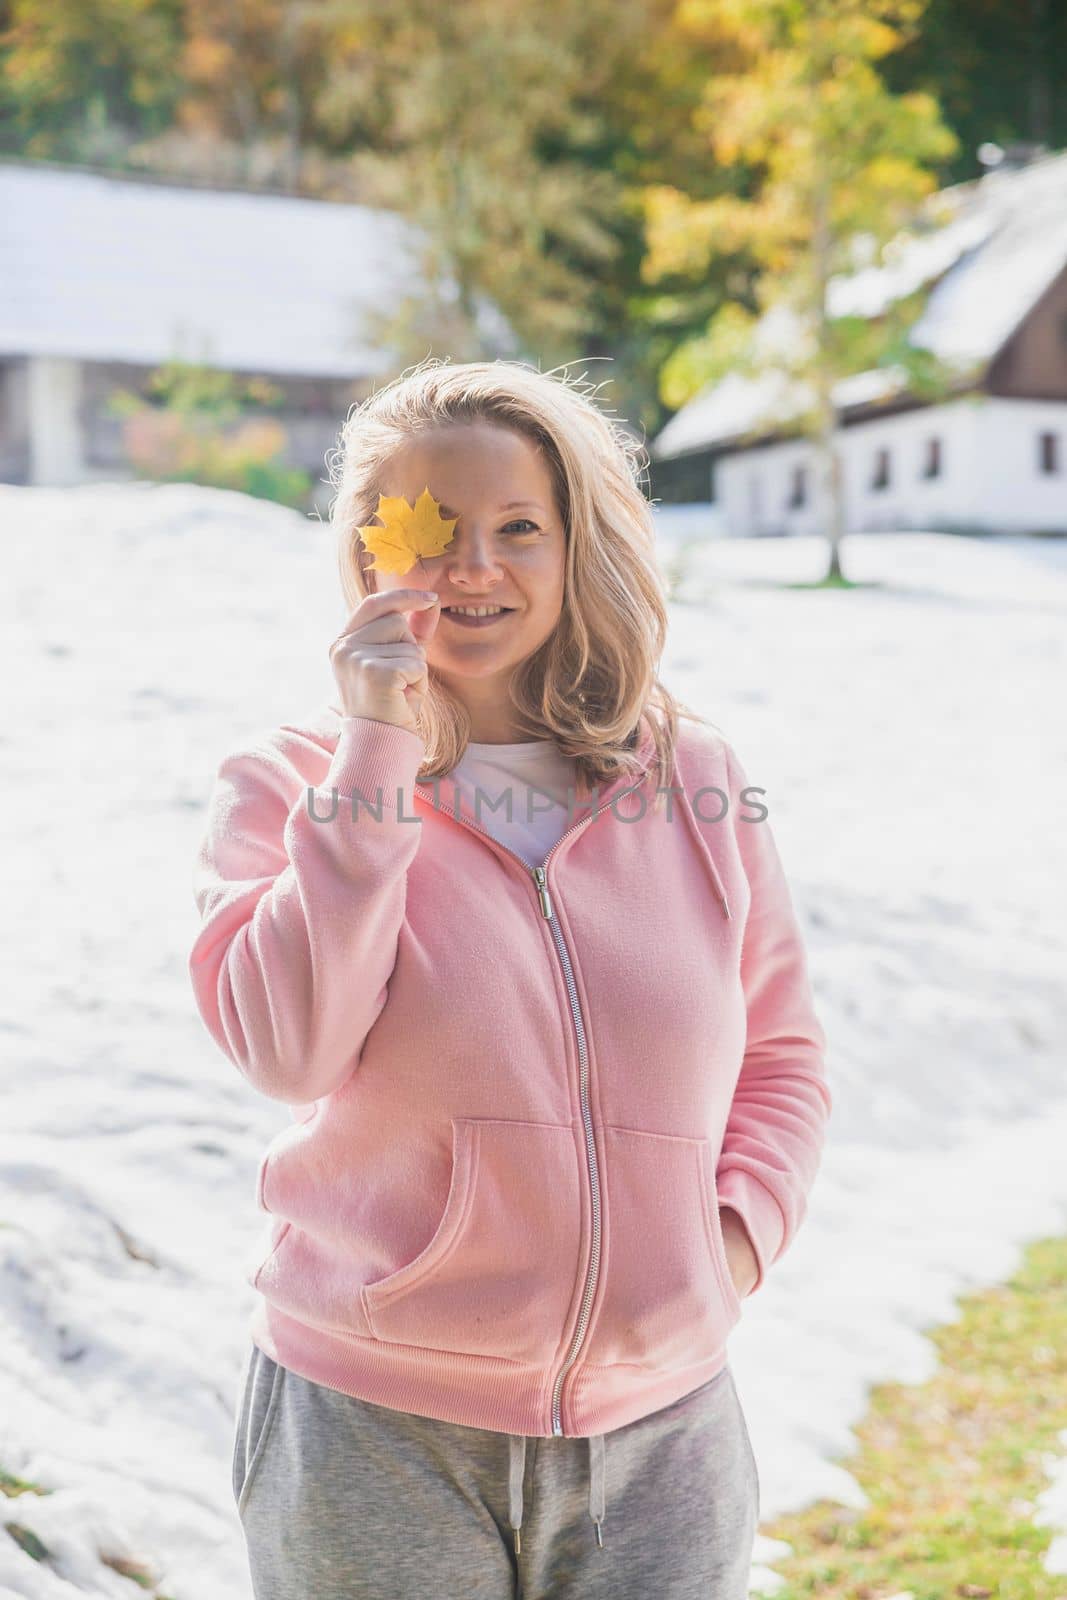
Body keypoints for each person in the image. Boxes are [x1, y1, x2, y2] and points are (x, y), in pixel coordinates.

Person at [188, 357, 832, 1600]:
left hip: (663, 1432)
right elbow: (289, 1048)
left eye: (516, 528)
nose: (472, 567)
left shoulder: (689, 774)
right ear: (367, 552)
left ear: (571, 541)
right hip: (377, 1425)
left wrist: (728, 1245)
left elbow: (781, 1051)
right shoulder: (287, 782)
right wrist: (378, 745)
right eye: (428, 531)